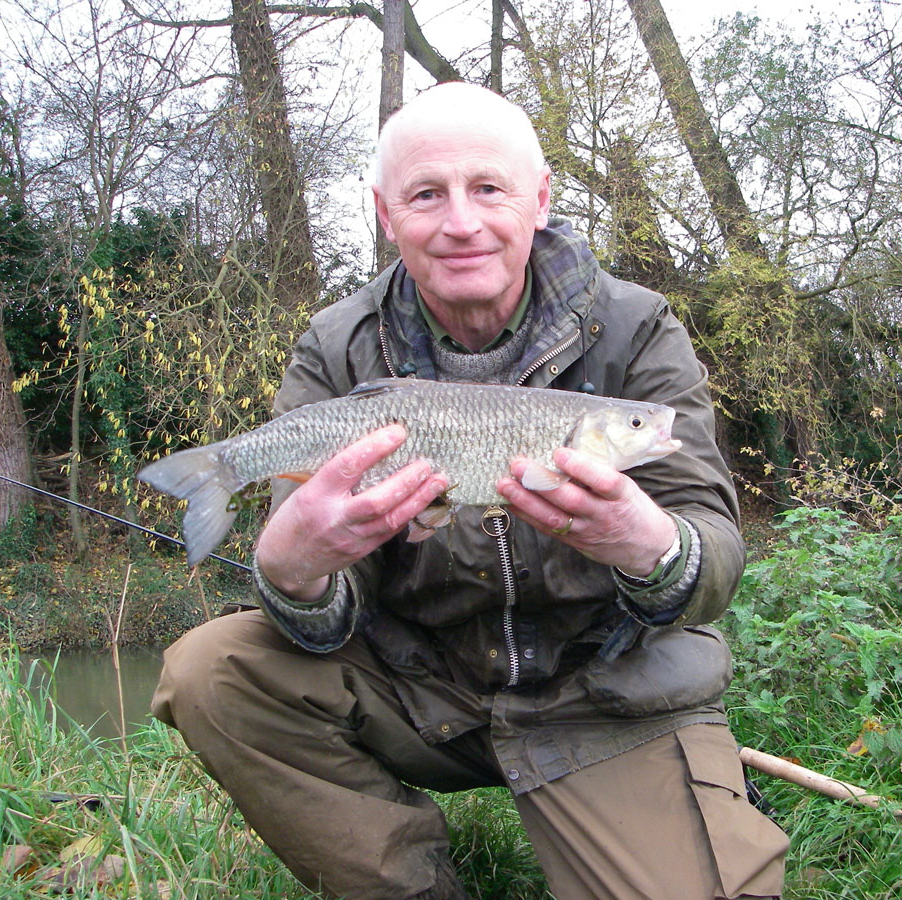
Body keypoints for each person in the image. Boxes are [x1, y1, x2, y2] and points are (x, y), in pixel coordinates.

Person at [151, 82, 789, 900]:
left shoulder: (638, 330)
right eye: (427, 195)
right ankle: (411, 885)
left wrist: (650, 546)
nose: (461, 222)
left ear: (541, 199)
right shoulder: (336, 346)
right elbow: (312, 592)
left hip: (606, 692)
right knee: (211, 668)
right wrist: (293, 573)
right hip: (421, 688)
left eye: (488, 187)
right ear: (388, 214)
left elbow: (714, 552)